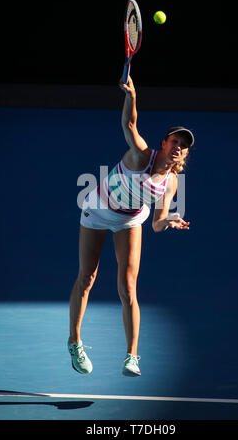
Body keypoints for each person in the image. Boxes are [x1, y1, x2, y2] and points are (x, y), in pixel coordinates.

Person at [68, 77, 194, 377]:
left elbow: (156, 224)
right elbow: (130, 125)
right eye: (174, 141)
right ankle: (74, 342)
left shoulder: (172, 182)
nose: (178, 147)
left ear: (186, 155)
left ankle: (132, 356)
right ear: (164, 144)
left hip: (131, 220)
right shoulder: (140, 156)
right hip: (98, 211)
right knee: (87, 277)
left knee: (128, 288)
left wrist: (169, 219)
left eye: (183, 146)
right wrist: (131, 96)